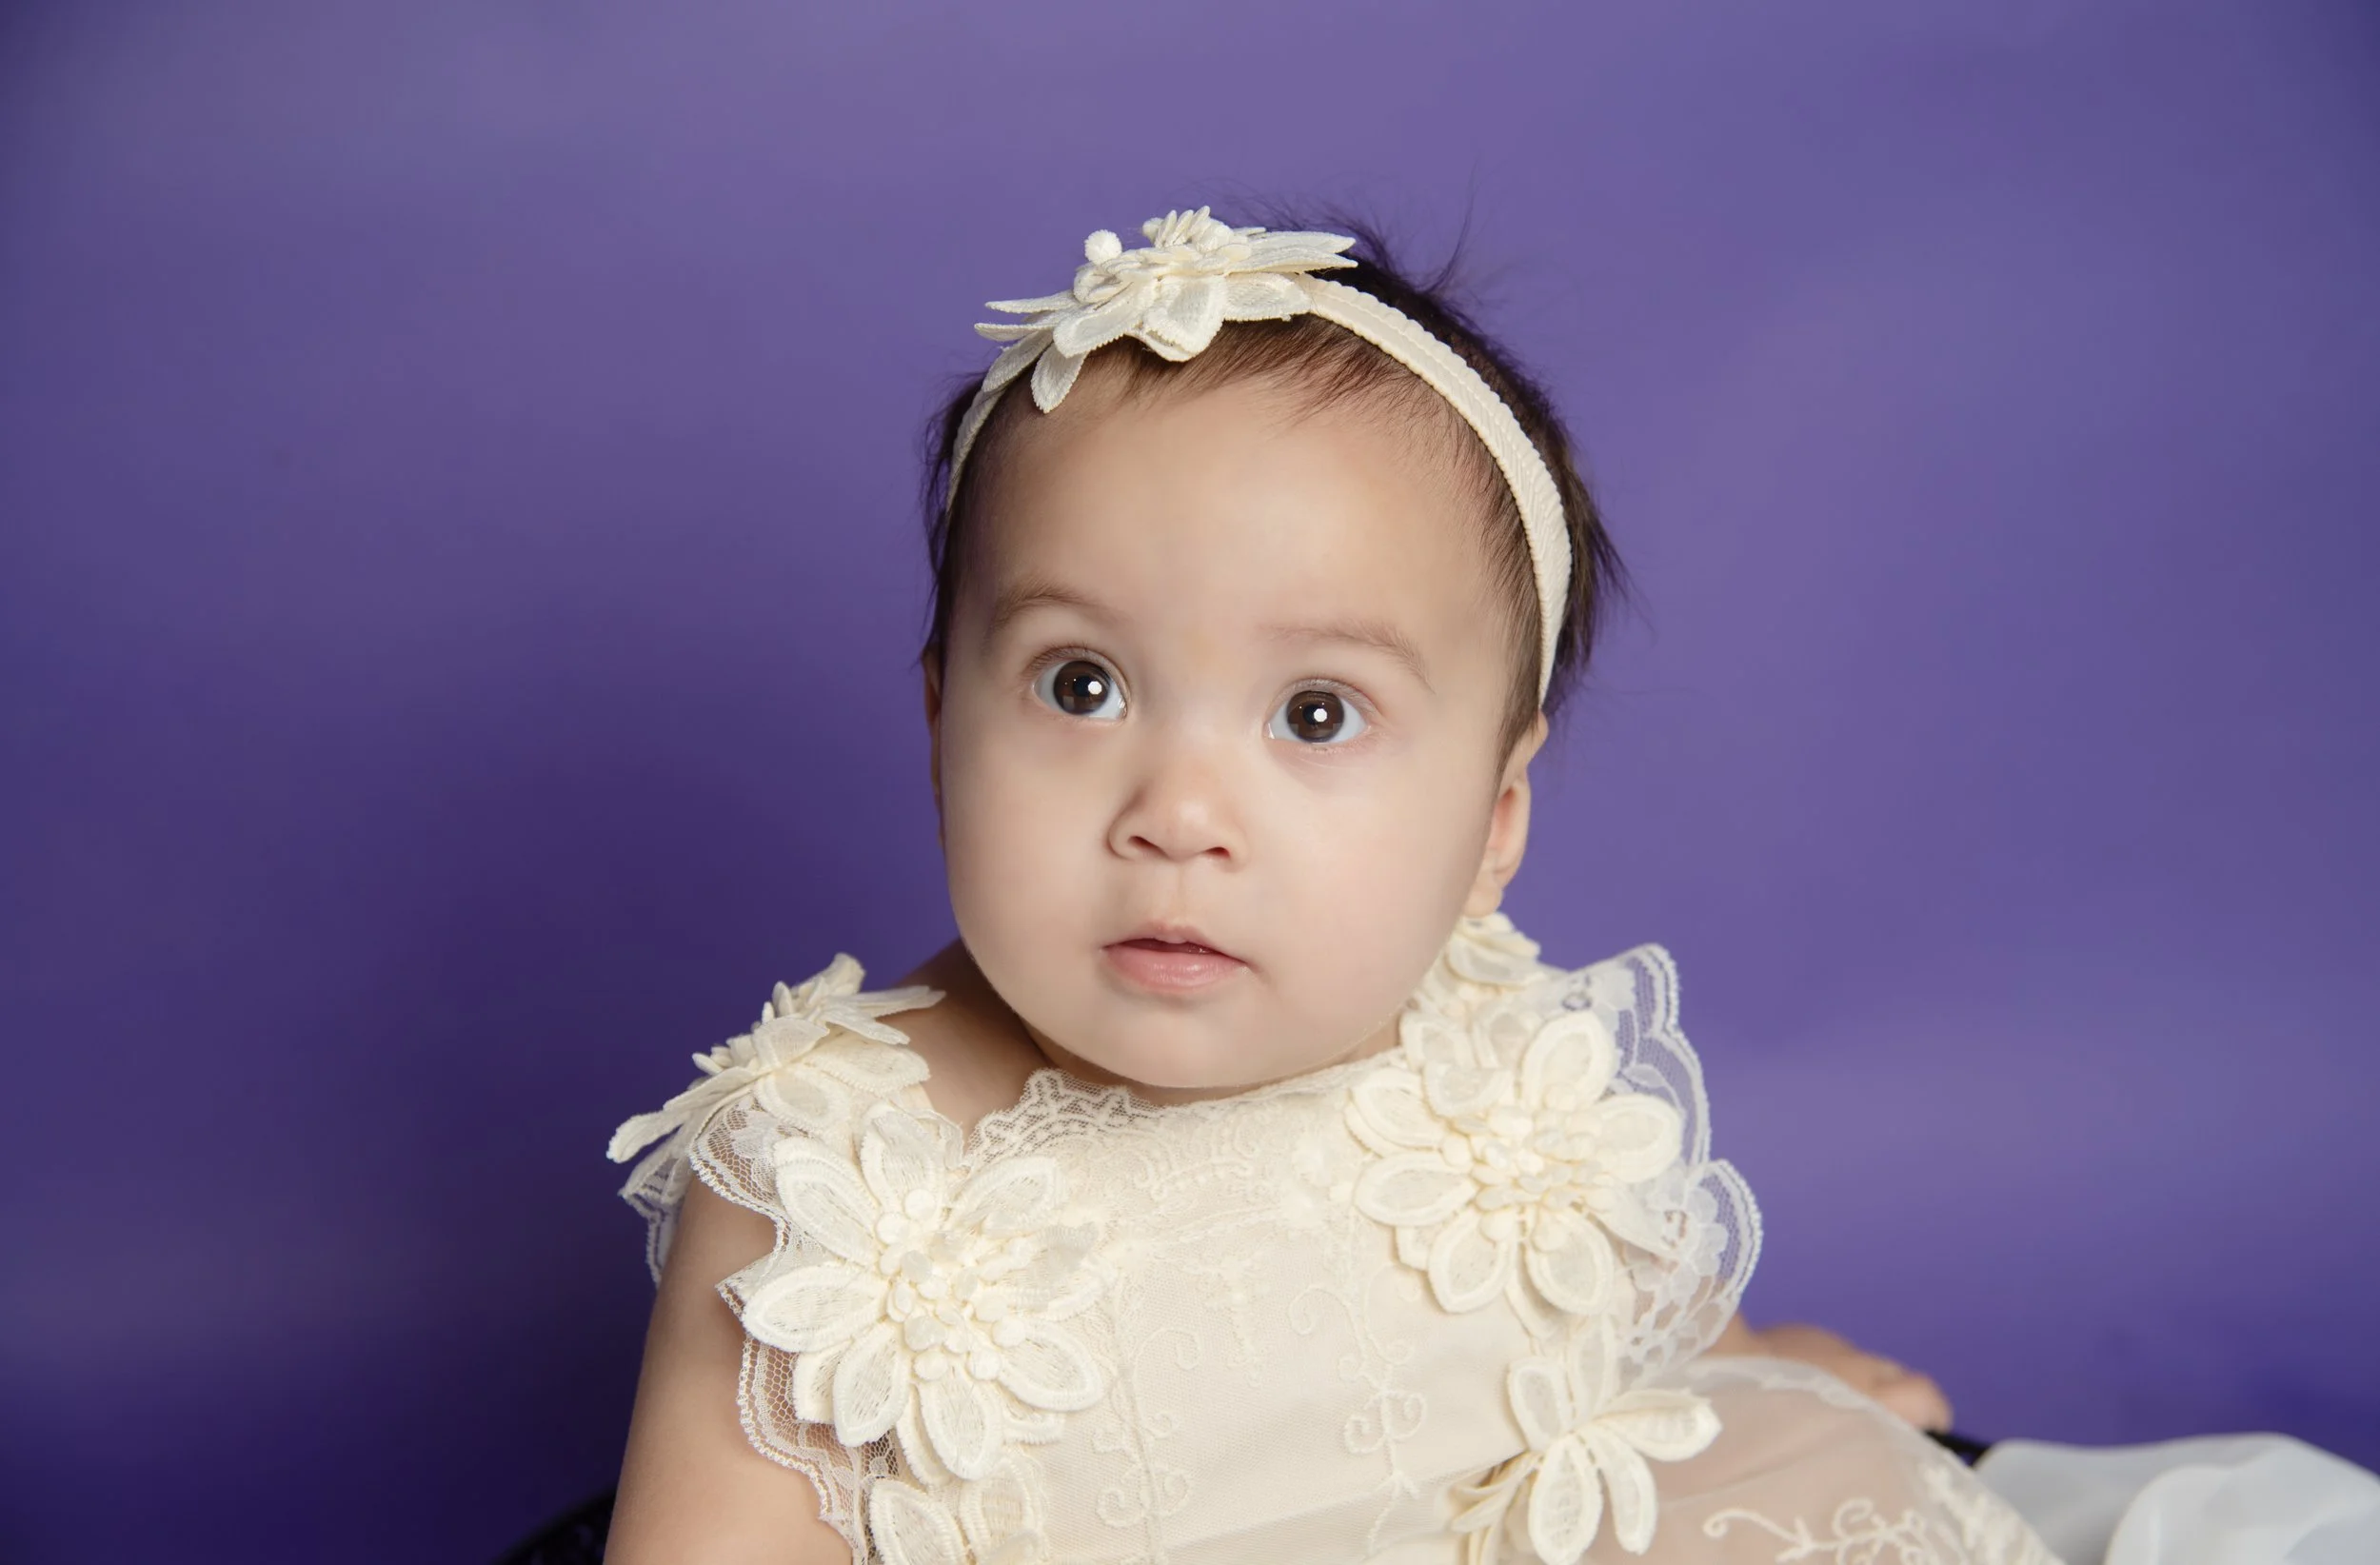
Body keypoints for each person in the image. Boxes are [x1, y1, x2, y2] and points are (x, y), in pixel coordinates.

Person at [599, 208, 2049, 1563]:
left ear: (1492, 822)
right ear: (938, 731)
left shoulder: (1484, 1054)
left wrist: (1737, 1365)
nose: (1178, 815)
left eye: (1315, 715)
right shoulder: (830, 1167)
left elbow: (1595, 1287)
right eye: (1082, 683)